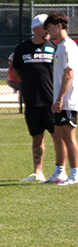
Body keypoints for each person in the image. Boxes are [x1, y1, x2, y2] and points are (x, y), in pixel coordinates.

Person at [10, 15, 56, 182]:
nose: (48, 31)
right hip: (32, 101)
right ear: (35, 29)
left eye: (49, 27)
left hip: (52, 102)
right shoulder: (22, 48)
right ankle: (38, 172)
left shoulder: (55, 47)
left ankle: (61, 171)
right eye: (45, 27)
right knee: (37, 137)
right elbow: (17, 71)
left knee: (57, 136)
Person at [46, 12, 78, 186]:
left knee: (69, 136)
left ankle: (75, 174)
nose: (48, 30)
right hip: (59, 101)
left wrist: (60, 99)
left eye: (50, 26)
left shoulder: (68, 46)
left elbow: (69, 73)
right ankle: (59, 172)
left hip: (68, 101)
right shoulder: (60, 46)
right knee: (58, 135)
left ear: (59, 25)